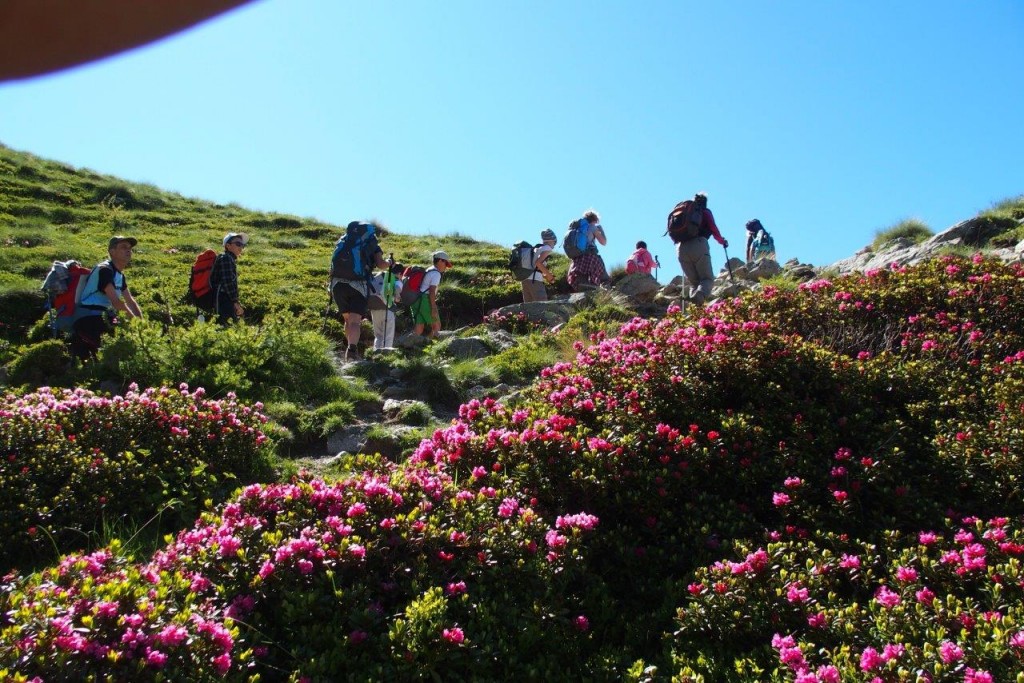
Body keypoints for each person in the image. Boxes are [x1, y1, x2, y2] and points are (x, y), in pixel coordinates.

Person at [70, 235, 143, 359]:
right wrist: (136, 324)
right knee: (115, 349)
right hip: (89, 318)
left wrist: (142, 323)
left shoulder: (120, 275)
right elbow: (117, 302)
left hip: (103, 317)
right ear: (112, 252)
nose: (128, 250)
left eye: (130, 248)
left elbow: (130, 301)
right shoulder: (105, 269)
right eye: (124, 247)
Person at [331, 223, 387, 361]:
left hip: (337, 284)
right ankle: (351, 351)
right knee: (355, 321)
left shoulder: (343, 240)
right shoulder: (372, 244)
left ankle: (348, 348)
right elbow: (381, 264)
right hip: (358, 284)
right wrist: (390, 263)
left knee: (347, 319)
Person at [674, 192, 728, 305]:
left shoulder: (684, 212)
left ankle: (695, 309)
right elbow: (713, 228)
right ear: (705, 202)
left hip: (681, 248)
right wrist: (722, 241)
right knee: (707, 279)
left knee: (694, 283)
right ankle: (699, 297)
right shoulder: (704, 212)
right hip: (698, 244)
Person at [412, 251, 452, 339]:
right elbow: (432, 291)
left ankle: (411, 345)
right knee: (436, 324)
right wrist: (433, 307)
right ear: (440, 261)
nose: (446, 267)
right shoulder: (436, 273)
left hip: (416, 299)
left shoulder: (429, 269)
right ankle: (436, 347)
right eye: (445, 263)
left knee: (419, 326)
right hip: (424, 300)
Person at [566, 209, 610, 291]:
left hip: (578, 257)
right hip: (590, 256)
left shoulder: (578, 228)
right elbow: (603, 242)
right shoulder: (593, 227)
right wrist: (601, 230)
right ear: (595, 220)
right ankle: (605, 290)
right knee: (604, 277)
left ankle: (584, 287)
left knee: (581, 275)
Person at [210, 232, 247, 325]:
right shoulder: (226, 258)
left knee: (228, 326)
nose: (241, 247)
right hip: (222, 298)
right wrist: (235, 302)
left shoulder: (228, 258)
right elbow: (228, 282)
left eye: (242, 245)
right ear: (228, 246)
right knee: (226, 327)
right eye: (238, 244)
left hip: (224, 298)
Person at [369, 262, 404, 350]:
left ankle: (376, 353)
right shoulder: (396, 281)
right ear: (399, 273)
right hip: (387, 308)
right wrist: (397, 298)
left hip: (374, 308)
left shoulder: (378, 276)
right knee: (388, 334)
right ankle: (386, 355)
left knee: (378, 335)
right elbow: (396, 292)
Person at [521, 228, 558, 302]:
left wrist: (545, 275)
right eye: (555, 242)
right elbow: (538, 263)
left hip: (525, 279)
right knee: (542, 305)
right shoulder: (547, 248)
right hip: (535, 280)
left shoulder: (537, 248)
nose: (554, 245)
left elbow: (535, 266)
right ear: (552, 240)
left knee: (529, 307)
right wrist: (550, 277)